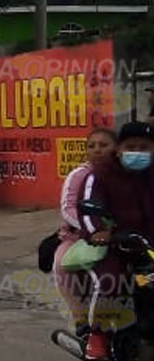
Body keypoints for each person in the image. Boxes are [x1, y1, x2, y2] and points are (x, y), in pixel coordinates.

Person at [78, 122, 154, 360]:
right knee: (110, 282)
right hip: (112, 243)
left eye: (144, 148)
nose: (138, 153)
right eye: (131, 147)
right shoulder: (100, 174)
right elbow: (89, 208)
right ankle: (97, 336)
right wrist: (98, 231)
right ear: (119, 149)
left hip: (148, 244)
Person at [54, 128, 117, 335]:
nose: (97, 150)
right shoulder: (79, 175)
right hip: (78, 237)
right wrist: (92, 228)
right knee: (61, 263)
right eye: (92, 146)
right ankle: (80, 319)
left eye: (103, 145)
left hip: (118, 235)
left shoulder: (125, 176)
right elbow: (68, 208)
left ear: (116, 148)